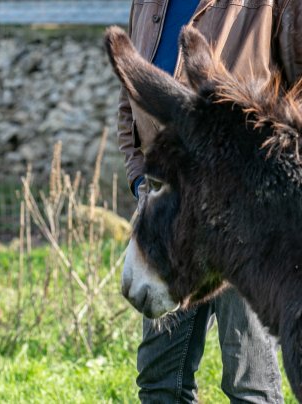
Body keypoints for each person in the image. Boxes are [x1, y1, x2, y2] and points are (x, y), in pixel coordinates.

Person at [117, 0, 302, 402]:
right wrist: (142, 184)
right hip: (173, 211)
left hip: (249, 220)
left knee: (250, 383)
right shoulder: (147, 4)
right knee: (160, 377)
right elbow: (128, 101)